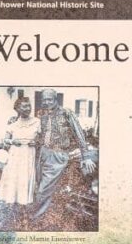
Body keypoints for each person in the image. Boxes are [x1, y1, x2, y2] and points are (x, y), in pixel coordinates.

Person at [32, 88, 97, 228]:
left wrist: (86, 156)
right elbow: (42, 135)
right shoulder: (42, 115)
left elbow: (79, 134)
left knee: (43, 189)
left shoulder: (66, 113)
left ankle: (36, 219)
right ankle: (46, 215)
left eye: (49, 99)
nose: (47, 102)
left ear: (56, 99)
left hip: (58, 155)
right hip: (43, 154)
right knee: (39, 184)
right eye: (44, 99)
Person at [0, 96, 39, 207]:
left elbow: (42, 139)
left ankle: (25, 203)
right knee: (15, 177)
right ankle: (15, 202)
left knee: (27, 176)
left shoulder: (37, 122)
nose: (27, 108)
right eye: (24, 106)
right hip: (15, 154)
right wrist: (12, 141)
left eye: (29, 106)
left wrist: (36, 142)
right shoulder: (13, 123)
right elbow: (5, 141)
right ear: (18, 108)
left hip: (29, 153)